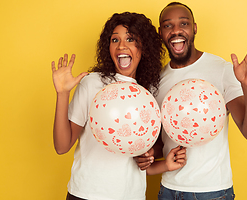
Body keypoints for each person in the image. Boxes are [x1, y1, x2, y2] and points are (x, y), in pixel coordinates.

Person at [136, 2, 247, 200]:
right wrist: (145, 155)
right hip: (168, 190)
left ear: (194, 28)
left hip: (212, 192)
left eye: (184, 23)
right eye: (168, 25)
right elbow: (161, 140)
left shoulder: (221, 70)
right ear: (160, 32)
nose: (176, 31)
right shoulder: (157, 81)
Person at [51, 12, 187, 200]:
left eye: (130, 39)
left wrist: (156, 160)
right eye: (115, 40)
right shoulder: (92, 83)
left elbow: (146, 155)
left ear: (144, 48)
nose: (121, 45)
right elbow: (61, 146)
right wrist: (63, 94)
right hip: (85, 194)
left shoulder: (149, 94)